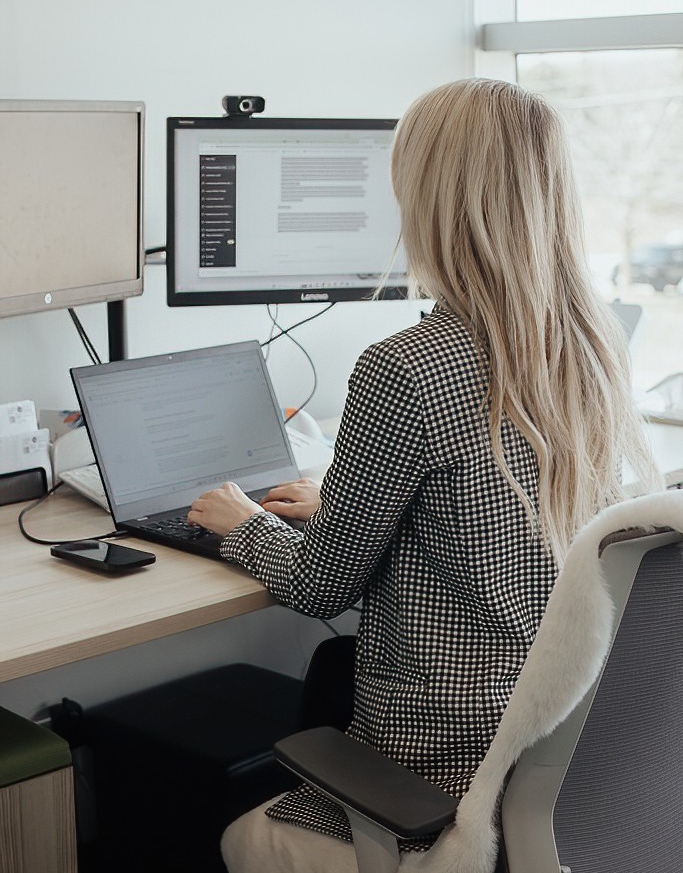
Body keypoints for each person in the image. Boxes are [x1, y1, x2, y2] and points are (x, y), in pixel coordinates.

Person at [188, 78, 661, 871]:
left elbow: (317, 589)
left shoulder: (406, 367)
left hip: (447, 772)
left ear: (431, 196)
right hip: (568, 747)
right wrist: (341, 502)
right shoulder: (591, 345)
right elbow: (488, 507)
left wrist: (248, 525)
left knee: (241, 833)